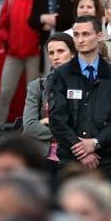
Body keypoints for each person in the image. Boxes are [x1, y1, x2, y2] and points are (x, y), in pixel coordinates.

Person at [48, 15, 111, 189]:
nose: (80, 40)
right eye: (76, 35)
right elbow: (57, 119)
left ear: (99, 36)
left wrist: (95, 142)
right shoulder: (60, 75)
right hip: (70, 162)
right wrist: (80, 149)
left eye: (86, 34)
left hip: (106, 161)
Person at [23, 32, 76, 179]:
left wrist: (49, 123)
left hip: (74, 159)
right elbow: (30, 125)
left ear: (73, 54)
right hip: (43, 159)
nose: (56, 57)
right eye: (51, 53)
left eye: (61, 51)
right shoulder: (37, 86)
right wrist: (68, 134)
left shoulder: (85, 85)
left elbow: (86, 125)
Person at [0, 0, 41, 127]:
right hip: (13, 54)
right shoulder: (11, 0)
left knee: (34, 95)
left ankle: (33, 131)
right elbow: (2, 25)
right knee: (5, 92)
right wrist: (6, 39)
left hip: (34, 54)